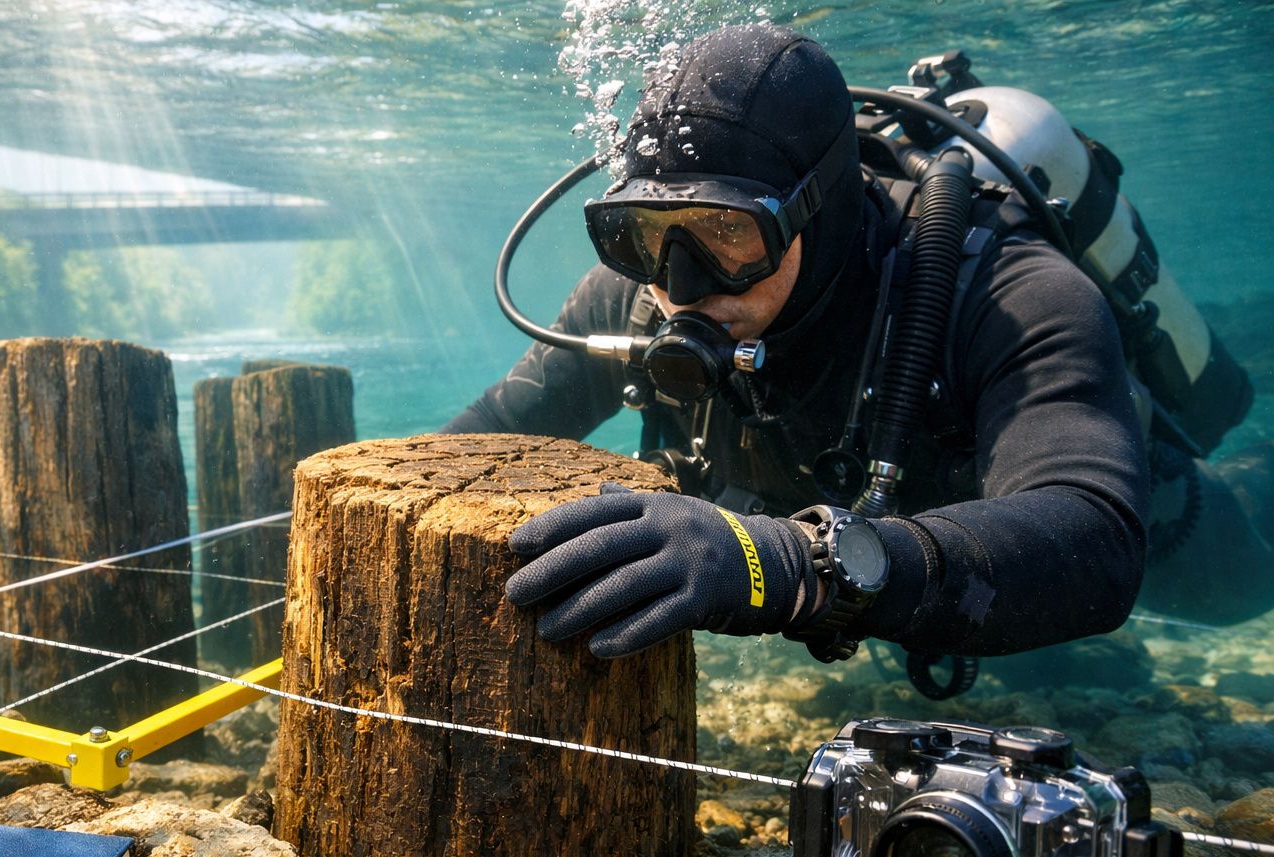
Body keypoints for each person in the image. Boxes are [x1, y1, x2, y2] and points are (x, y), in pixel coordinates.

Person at [441, 23, 1272, 676]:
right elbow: (478, 443)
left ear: (818, 211)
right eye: (642, 233)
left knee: (1242, 586)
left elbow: (1095, 542)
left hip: (1131, 527)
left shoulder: (1009, 292)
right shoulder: (639, 293)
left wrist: (795, 568)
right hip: (928, 585)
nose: (680, 285)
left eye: (730, 233)